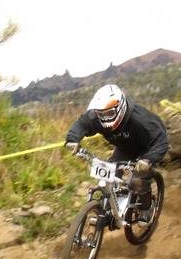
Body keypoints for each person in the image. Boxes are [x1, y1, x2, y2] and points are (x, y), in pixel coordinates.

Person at [65, 84, 169, 224]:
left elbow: (161, 140)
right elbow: (82, 124)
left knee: (137, 181)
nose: (105, 118)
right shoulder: (97, 118)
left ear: (120, 108)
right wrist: (72, 139)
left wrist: (148, 159)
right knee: (110, 175)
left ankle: (146, 208)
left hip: (148, 148)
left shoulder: (141, 120)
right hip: (125, 148)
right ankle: (109, 209)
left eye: (109, 114)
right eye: (101, 114)